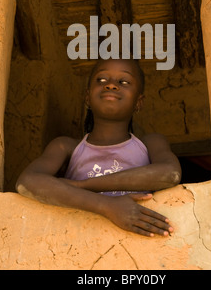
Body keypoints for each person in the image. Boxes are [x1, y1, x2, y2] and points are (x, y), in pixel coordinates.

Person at [16, 58, 182, 237]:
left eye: (123, 82)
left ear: (139, 102)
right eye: (101, 80)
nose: (111, 85)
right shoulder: (66, 146)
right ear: (87, 97)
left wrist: (81, 185)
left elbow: (170, 173)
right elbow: (27, 182)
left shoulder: (150, 143)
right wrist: (108, 206)